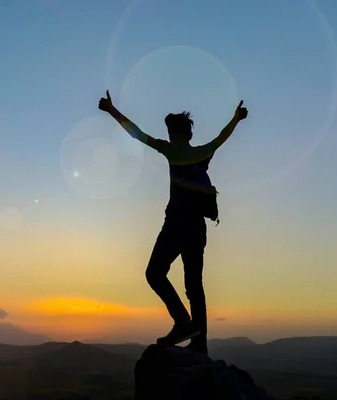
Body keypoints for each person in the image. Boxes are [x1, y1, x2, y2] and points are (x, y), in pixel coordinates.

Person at [98, 91, 248, 355]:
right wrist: (236, 118)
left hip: (177, 223)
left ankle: (182, 322)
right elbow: (221, 138)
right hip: (197, 228)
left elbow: (137, 134)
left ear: (173, 134)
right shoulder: (202, 154)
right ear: (189, 134)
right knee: (194, 286)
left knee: (154, 274)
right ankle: (199, 344)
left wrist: (111, 110)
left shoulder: (171, 150)